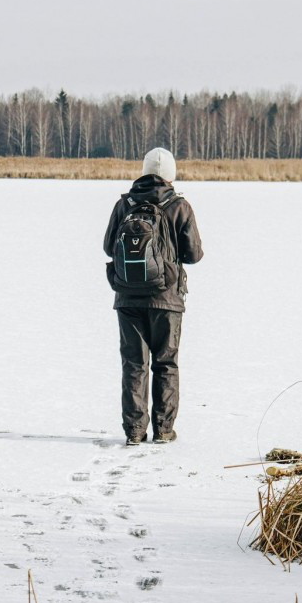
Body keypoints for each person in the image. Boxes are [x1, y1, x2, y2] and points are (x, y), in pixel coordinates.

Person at [103, 147, 204, 445]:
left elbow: (109, 248)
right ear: (170, 174)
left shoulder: (125, 204)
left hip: (127, 298)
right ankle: (163, 430)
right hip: (167, 299)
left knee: (134, 364)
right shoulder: (180, 206)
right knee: (166, 363)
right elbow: (194, 254)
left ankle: (134, 432)